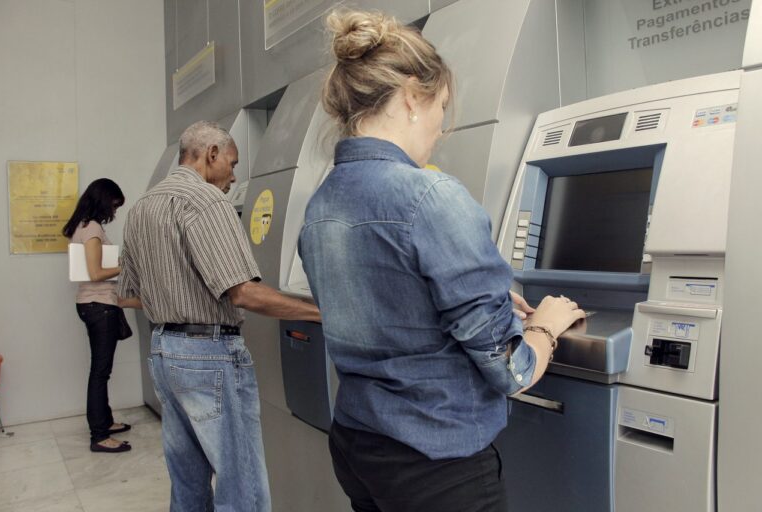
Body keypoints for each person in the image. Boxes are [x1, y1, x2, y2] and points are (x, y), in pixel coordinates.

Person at [297, 9, 587, 512]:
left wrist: (482, 303)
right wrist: (547, 326)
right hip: (437, 465)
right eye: (441, 106)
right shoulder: (431, 196)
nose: (441, 128)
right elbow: (510, 371)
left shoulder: (322, 203)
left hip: (357, 445)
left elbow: (388, 304)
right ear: (412, 96)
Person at [118, 121, 320, 512]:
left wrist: (177, 303)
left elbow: (129, 296)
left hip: (164, 352)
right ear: (211, 154)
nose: (233, 177)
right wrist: (321, 312)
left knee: (188, 479)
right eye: (232, 162)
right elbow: (243, 292)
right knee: (241, 484)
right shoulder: (208, 202)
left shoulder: (143, 206)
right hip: (209, 355)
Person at [63, 178, 141, 454]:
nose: (114, 212)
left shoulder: (80, 226)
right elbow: (96, 273)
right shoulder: (93, 227)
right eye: (114, 205)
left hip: (90, 304)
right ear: (103, 199)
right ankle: (99, 435)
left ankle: (105, 422)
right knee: (100, 372)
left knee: (100, 371)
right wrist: (125, 264)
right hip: (99, 306)